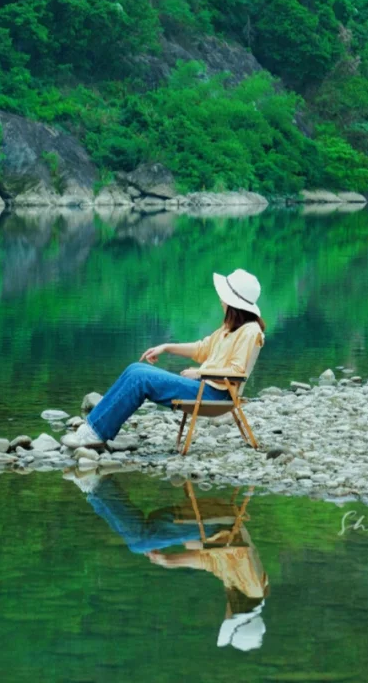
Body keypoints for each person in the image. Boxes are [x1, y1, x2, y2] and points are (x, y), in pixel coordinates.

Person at [62, 268, 265, 449]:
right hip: (205, 388)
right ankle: (92, 426)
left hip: (214, 394)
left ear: (233, 303)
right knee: (135, 369)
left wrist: (200, 372)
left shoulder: (249, 331)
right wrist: (166, 347)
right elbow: (202, 348)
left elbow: (237, 373)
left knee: (140, 379)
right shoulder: (230, 328)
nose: (221, 300)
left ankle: (95, 433)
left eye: (224, 297)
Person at [72, 475, 269, 652]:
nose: (225, 616)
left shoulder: (247, 592)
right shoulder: (250, 589)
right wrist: (181, 553)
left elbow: (213, 562)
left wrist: (169, 560)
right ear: (235, 617)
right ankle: (100, 486)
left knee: (141, 541)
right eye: (228, 620)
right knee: (141, 541)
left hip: (219, 525)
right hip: (218, 523)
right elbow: (232, 550)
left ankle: (95, 490)